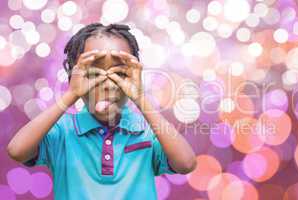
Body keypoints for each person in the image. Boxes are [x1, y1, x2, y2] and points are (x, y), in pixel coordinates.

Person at [7, 23, 196, 199]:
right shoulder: (62, 132)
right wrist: (71, 94)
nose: (107, 84)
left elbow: (186, 163)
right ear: (74, 78)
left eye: (120, 74)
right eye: (93, 74)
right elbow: (17, 150)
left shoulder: (146, 131)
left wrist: (140, 98)